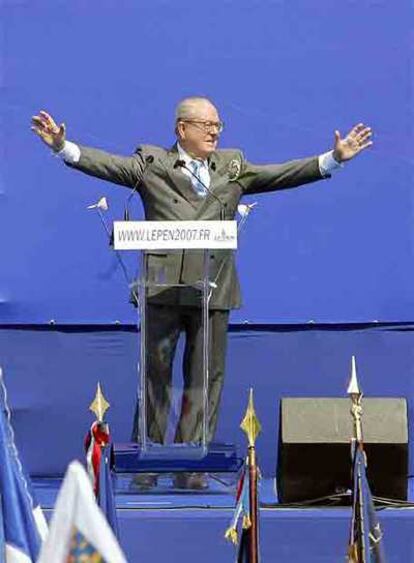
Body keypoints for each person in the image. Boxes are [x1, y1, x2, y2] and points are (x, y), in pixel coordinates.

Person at [31, 96, 372, 459]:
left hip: (213, 287)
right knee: (155, 378)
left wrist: (333, 159)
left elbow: (280, 175)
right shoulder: (152, 162)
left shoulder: (232, 166)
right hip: (162, 286)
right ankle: (149, 458)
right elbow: (106, 165)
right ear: (182, 128)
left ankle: (193, 460)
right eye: (206, 125)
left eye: (218, 125)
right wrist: (62, 147)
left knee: (205, 380)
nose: (215, 132)